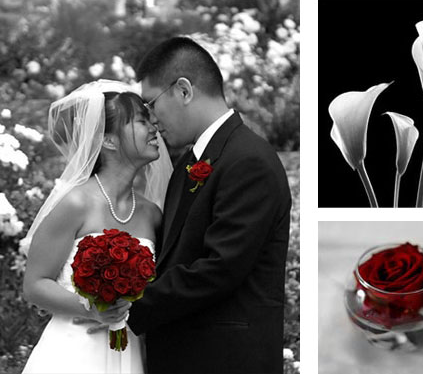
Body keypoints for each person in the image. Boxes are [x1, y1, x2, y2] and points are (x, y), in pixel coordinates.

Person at [127, 36, 292, 374]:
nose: (151, 118)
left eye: (151, 104)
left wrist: (130, 305)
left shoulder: (248, 161)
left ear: (183, 90)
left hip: (226, 359)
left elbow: (220, 268)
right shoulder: (191, 161)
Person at [21, 80, 173, 374]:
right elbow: (34, 284)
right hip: (73, 352)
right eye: (142, 122)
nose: (154, 128)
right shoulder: (75, 203)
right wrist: (92, 309)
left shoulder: (152, 214)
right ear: (109, 140)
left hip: (131, 350)